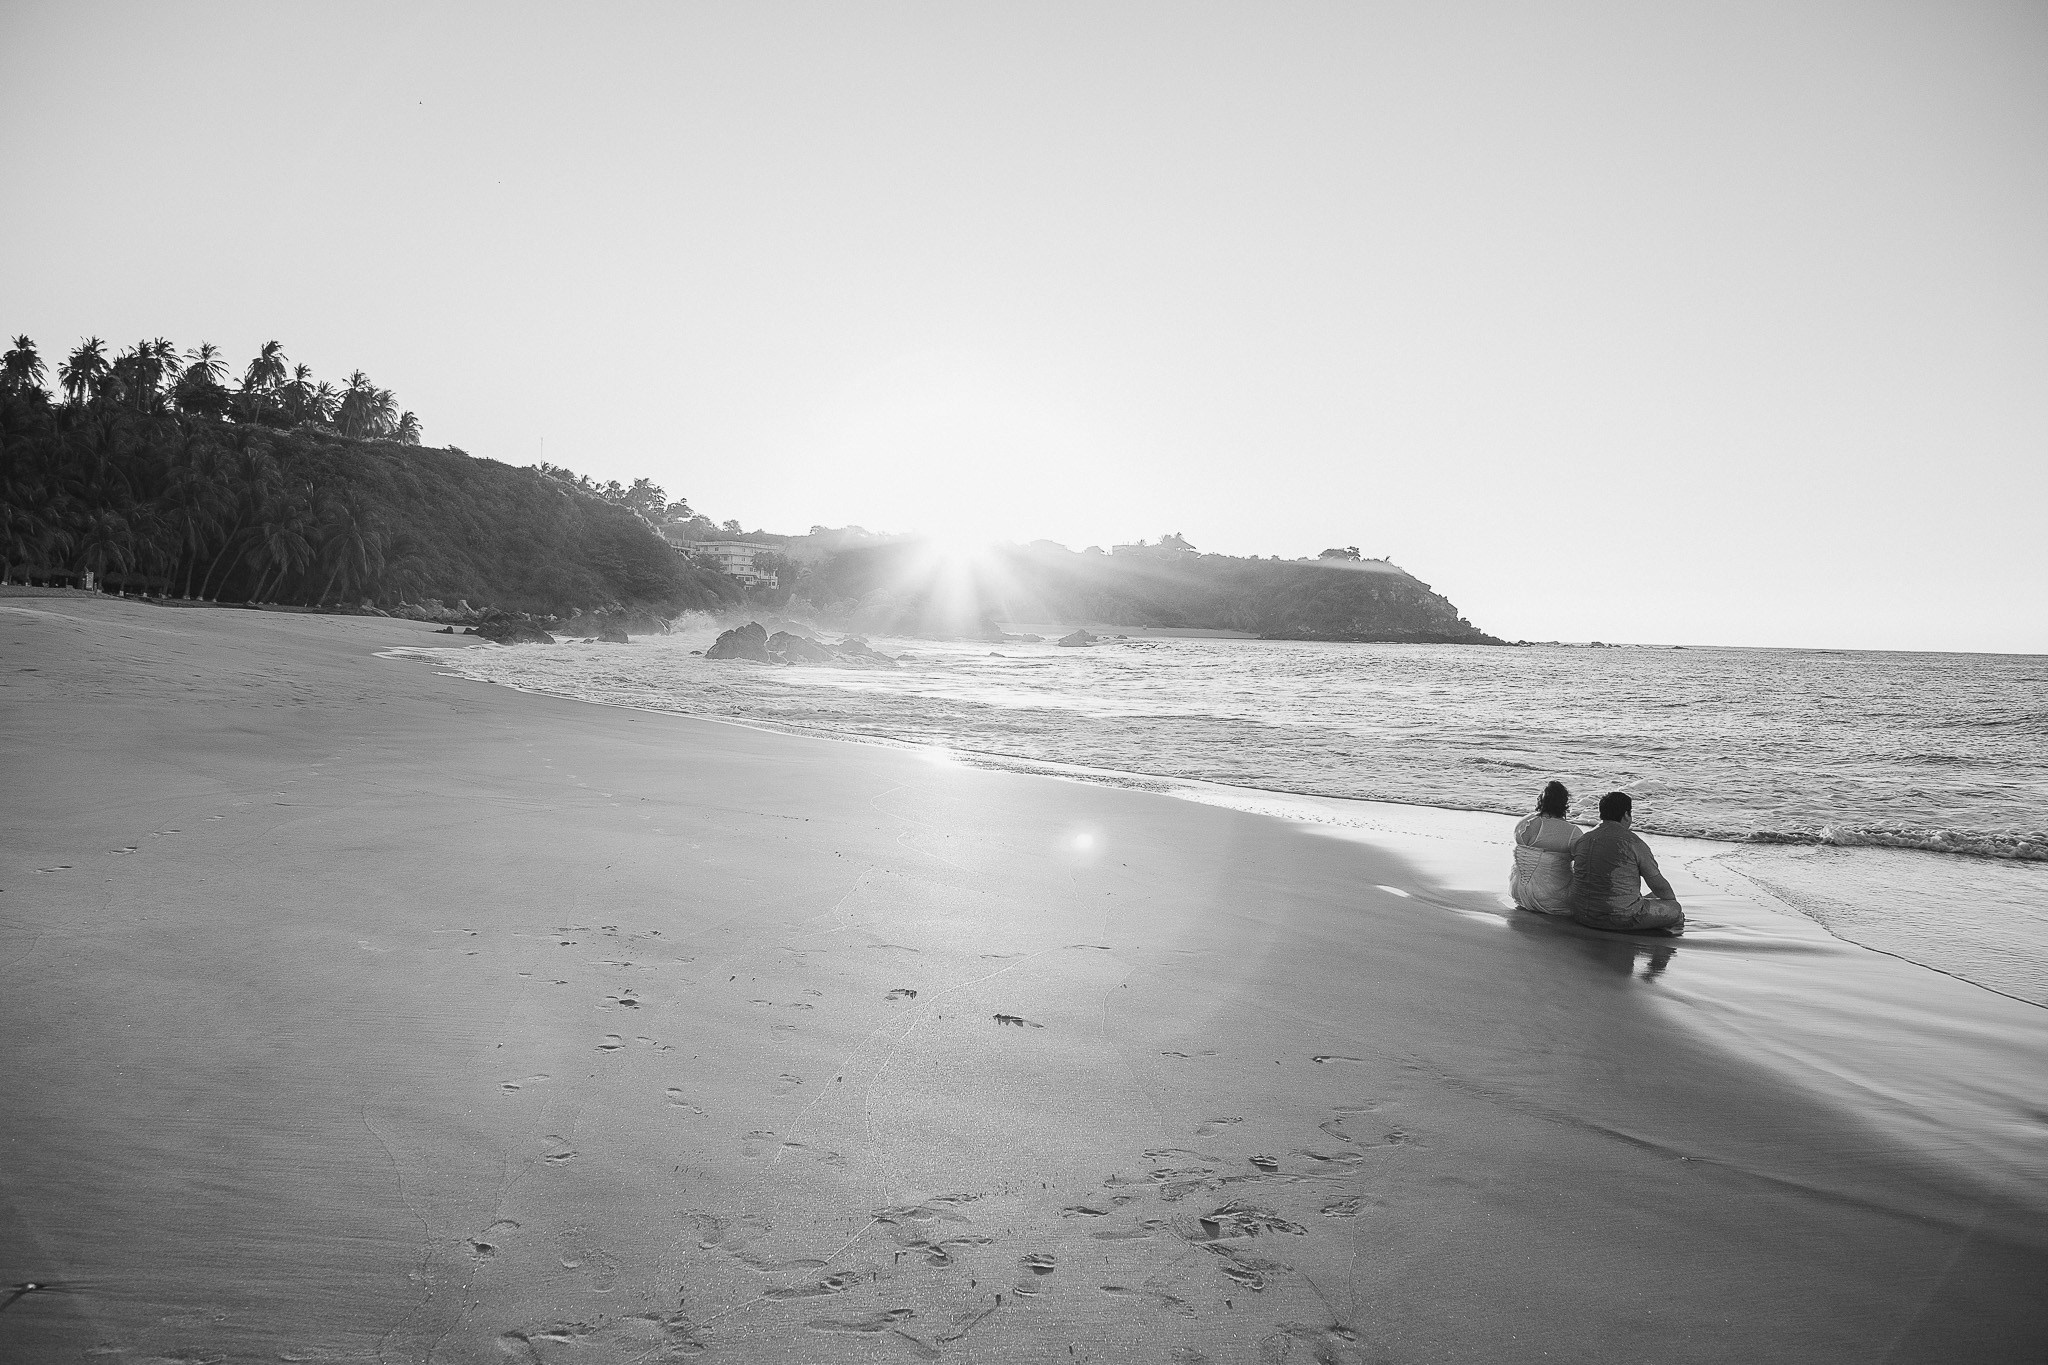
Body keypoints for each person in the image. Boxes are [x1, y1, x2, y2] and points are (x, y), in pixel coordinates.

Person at [1569, 791, 1684, 933]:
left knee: (1649, 897)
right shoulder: (1633, 843)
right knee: (1675, 909)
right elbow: (1659, 886)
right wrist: (1672, 904)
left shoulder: (1583, 840)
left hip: (1581, 914)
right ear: (1625, 815)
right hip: (1620, 918)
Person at [1509, 781, 1580, 915]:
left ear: (1541, 800)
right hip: (1552, 897)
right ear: (1564, 803)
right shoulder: (1572, 832)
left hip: (1518, 892)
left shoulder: (1523, 823)